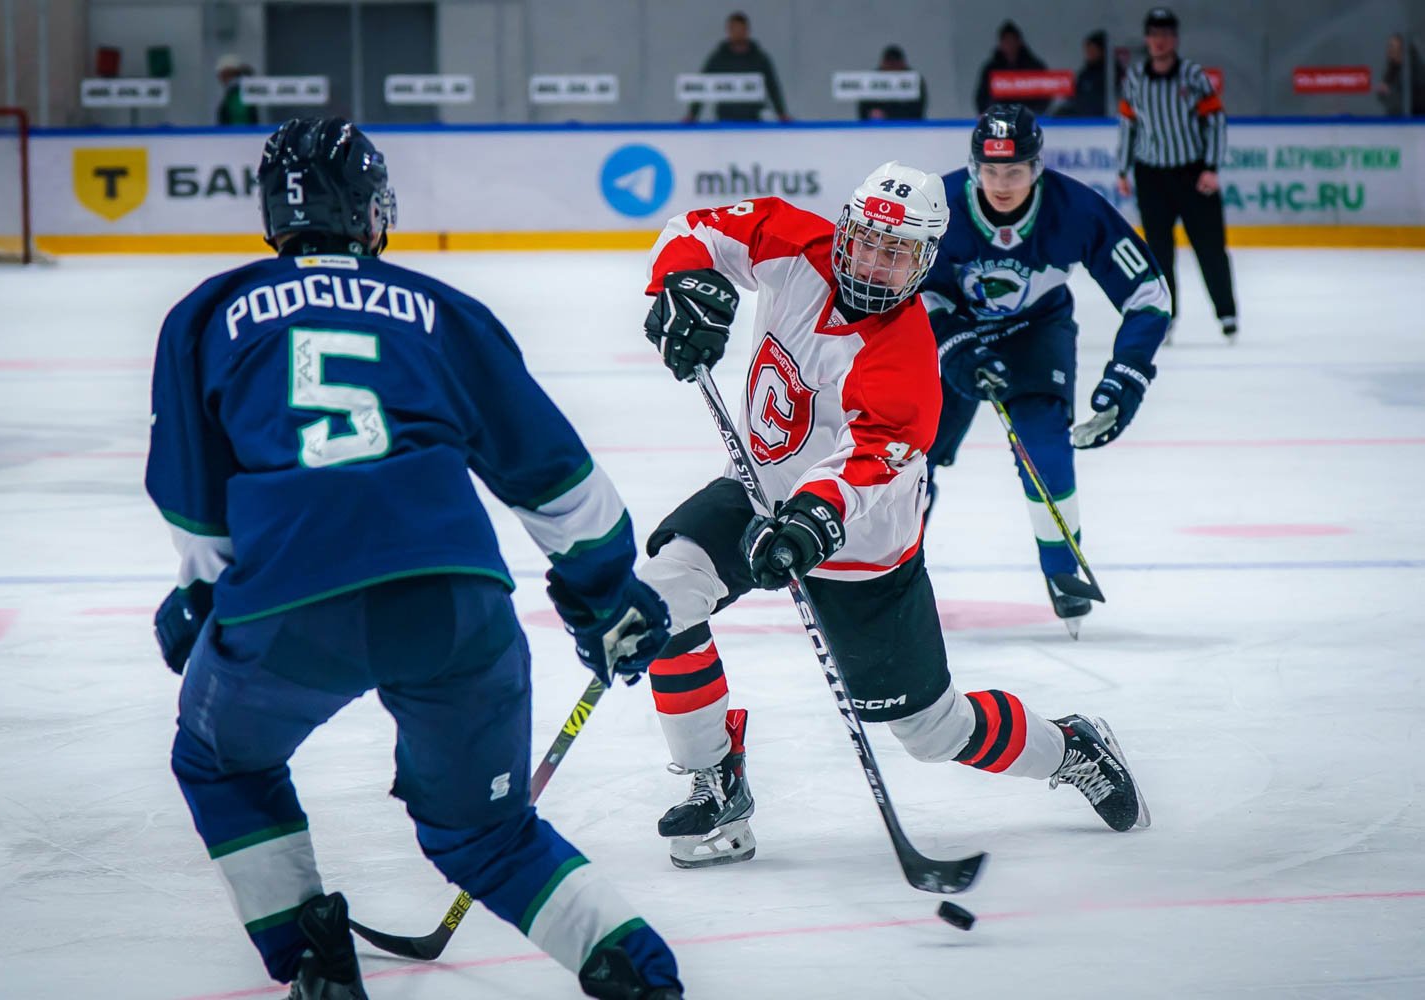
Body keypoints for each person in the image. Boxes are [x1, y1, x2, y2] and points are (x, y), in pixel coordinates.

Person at [146, 117, 684, 1000]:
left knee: (220, 762)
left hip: (289, 604)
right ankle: (641, 975)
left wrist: (202, 601)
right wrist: (606, 590)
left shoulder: (206, 315)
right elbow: (557, 479)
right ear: (372, 210)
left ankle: (314, 963)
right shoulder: (439, 309)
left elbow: (195, 507)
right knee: (489, 834)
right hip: (455, 603)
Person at [632, 160, 1150, 871]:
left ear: (925, 261)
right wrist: (682, 287)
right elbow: (694, 230)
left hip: (858, 542)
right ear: (846, 230)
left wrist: (811, 520)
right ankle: (715, 780)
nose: (875, 264)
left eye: (897, 253)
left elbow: (869, 461)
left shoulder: (905, 358)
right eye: (868, 242)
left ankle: (1071, 749)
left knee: (932, 731)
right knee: (663, 594)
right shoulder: (795, 241)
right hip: (755, 488)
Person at [919, 103, 1170, 635]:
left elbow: (1149, 294)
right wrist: (953, 344)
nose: (1001, 184)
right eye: (990, 171)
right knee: (910, 457)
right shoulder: (939, 205)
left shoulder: (1075, 209)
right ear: (974, 168)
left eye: (1014, 171)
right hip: (952, 333)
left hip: (1035, 333)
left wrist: (1129, 374)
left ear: (1036, 167)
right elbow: (909, 287)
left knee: (1045, 451)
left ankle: (1062, 572)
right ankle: (893, 575)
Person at [1116, 7, 1236, 341]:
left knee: (1210, 246)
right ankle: (1166, 317)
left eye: (1166, 34)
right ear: (1147, 38)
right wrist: (1122, 170)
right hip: (1151, 176)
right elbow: (1128, 126)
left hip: (1193, 174)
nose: (1160, 40)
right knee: (1158, 252)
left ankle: (1226, 312)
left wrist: (1211, 167)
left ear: (1175, 39)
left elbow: (1216, 121)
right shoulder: (1135, 79)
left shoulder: (1193, 76)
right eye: (1154, 34)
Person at [683, 11, 790, 123]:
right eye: (734, 29)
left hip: (753, 119)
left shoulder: (759, 58)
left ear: (747, 31)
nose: (738, 33)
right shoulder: (719, 58)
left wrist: (781, 113)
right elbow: (703, 86)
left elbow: (772, 87)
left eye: (741, 29)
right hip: (725, 119)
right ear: (728, 31)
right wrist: (692, 114)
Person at [974, 20, 1049, 114]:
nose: (1010, 45)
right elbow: (981, 97)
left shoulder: (1034, 67)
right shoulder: (990, 69)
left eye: (1012, 41)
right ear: (1001, 44)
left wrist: (1034, 113)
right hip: (999, 117)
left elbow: (1045, 94)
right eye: (1006, 41)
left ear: (1019, 42)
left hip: (1027, 117)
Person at [1058, 30, 1119, 117]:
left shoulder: (1112, 73)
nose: (1089, 54)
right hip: (1083, 118)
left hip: (1103, 118)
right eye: (1088, 50)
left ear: (1102, 51)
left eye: (1092, 50)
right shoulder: (1085, 73)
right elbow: (1074, 96)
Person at [858, 45, 926, 120]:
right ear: (883, 64)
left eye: (895, 63)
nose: (892, 67)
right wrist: (871, 113)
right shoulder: (872, 80)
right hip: (878, 125)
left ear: (902, 64)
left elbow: (918, 108)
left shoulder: (914, 80)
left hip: (907, 124)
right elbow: (864, 107)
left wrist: (890, 114)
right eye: (889, 63)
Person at [1378, 33, 1425, 118]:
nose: (1389, 51)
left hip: (1415, 120)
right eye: (1389, 47)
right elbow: (1383, 95)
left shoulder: (1414, 71)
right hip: (1396, 120)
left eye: (1392, 47)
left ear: (1402, 50)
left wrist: (1390, 94)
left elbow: (1413, 101)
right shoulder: (1392, 69)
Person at [216, 53, 259, 126]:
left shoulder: (238, 96)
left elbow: (239, 119)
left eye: (224, 75)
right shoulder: (232, 94)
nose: (221, 79)